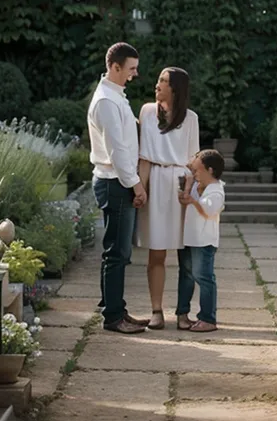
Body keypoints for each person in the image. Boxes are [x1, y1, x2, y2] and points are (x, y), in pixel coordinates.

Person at [88, 42, 149, 334]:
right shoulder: (106, 102)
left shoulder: (116, 97)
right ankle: (113, 317)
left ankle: (115, 308)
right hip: (115, 182)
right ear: (115, 67)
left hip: (116, 181)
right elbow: (117, 151)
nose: (134, 74)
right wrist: (136, 185)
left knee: (118, 251)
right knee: (118, 252)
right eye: (131, 69)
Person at [136, 67, 200, 330]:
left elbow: (194, 160)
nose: (157, 84)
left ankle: (183, 313)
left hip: (181, 186)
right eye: (158, 79)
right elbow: (145, 157)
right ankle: (156, 311)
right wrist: (140, 188)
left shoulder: (191, 118)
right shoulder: (148, 111)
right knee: (157, 253)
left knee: (186, 254)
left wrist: (191, 192)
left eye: (163, 81)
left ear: (176, 88)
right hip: (157, 184)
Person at [176, 149, 225, 332]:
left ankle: (208, 318)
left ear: (210, 170)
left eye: (197, 171)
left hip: (204, 242)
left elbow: (207, 211)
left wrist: (192, 200)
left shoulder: (216, 191)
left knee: (203, 277)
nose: (194, 174)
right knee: (186, 275)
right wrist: (189, 186)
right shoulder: (197, 186)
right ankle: (182, 313)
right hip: (189, 238)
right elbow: (186, 200)